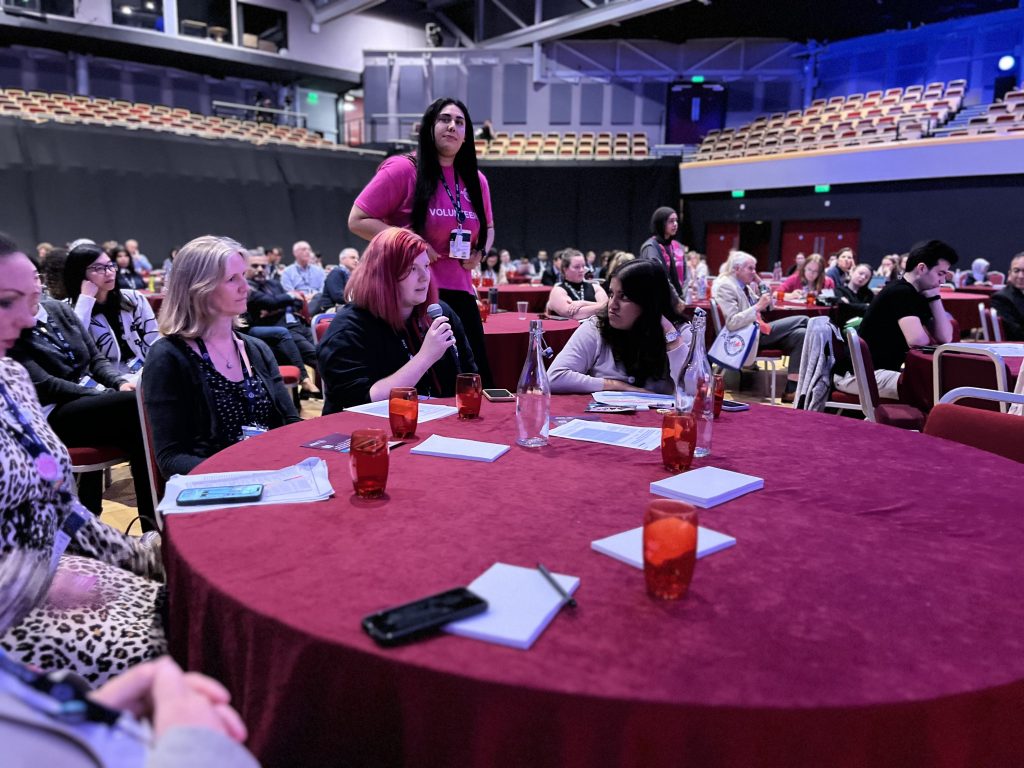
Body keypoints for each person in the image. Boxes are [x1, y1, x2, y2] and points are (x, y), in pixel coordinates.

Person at [0, 233, 166, 686]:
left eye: (30, 298)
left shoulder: (11, 376)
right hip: (17, 604)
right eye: (5, 302)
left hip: (53, 569)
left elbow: (53, 490)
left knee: (181, 602)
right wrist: (49, 583)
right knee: (159, 645)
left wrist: (131, 554)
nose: (26, 319)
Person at [348, 97, 495, 386]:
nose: (452, 126)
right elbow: (358, 219)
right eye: (444, 119)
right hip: (412, 296)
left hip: (462, 293)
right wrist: (412, 242)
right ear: (429, 127)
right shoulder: (404, 170)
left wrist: (481, 251)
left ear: (466, 136)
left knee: (474, 382)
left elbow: (488, 227)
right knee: (427, 386)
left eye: (459, 122)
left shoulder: (476, 181)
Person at [10, 262, 158, 529]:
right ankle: (120, 520)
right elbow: (47, 385)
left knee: (142, 432)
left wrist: (119, 381)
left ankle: (152, 526)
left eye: (35, 277)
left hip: (91, 402)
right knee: (136, 406)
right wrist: (101, 393)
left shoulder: (58, 309)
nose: (33, 285)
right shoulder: (9, 328)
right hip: (53, 414)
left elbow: (96, 359)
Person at [142, 235, 300, 480]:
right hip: (217, 487)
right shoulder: (168, 357)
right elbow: (170, 458)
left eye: (243, 277)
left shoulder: (255, 349)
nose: (245, 287)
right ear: (198, 289)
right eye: (231, 279)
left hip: (272, 475)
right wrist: (244, 475)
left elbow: (290, 423)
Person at [318, 228, 477, 414]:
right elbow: (358, 402)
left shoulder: (440, 313)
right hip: (368, 434)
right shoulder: (348, 330)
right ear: (383, 275)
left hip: (437, 427)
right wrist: (425, 357)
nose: (425, 277)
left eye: (426, 266)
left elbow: (469, 375)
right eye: (412, 269)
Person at [832, 240, 957, 400]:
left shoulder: (916, 294)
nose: (943, 281)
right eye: (940, 274)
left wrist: (935, 297)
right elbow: (918, 341)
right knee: (932, 388)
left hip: (878, 371)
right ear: (921, 268)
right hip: (857, 375)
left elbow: (945, 337)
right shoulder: (900, 292)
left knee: (938, 384)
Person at [549, 259, 691, 394]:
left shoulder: (681, 332)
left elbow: (695, 390)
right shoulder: (597, 326)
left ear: (649, 302)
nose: (612, 305)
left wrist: (671, 336)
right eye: (611, 294)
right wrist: (616, 386)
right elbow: (553, 378)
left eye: (624, 297)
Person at [712, 251, 807, 403]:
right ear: (737, 269)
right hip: (746, 336)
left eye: (754, 268)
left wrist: (759, 281)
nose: (754, 272)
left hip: (758, 330)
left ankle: (791, 390)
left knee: (801, 334)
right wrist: (757, 306)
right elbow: (732, 323)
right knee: (805, 320)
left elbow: (769, 306)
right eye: (750, 268)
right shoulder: (726, 286)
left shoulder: (744, 286)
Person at [61, 243, 158, 377]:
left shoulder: (134, 298)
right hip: (103, 381)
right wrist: (85, 300)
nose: (109, 273)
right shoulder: (65, 309)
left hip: (145, 371)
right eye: (98, 268)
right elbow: (75, 348)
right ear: (80, 274)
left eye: (110, 265)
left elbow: (154, 340)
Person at [243, 251, 321, 398]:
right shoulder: (247, 287)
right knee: (308, 352)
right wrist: (286, 298)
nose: (260, 269)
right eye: (255, 266)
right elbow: (270, 301)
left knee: (319, 355)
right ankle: (305, 380)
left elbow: (297, 302)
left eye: (263, 266)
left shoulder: (273, 283)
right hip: (266, 329)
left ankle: (320, 392)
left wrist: (275, 307)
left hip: (292, 326)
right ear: (245, 268)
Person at [639, 206, 686, 312]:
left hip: (676, 300)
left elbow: (684, 276)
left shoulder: (675, 245)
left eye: (676, 221)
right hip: (658, 303)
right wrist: (676, 300)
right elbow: (659, 277)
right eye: (671, 221)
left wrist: (682, 297)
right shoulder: (650, 247)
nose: (675, 224)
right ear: (661, 223)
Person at [546, 249, 608, 321]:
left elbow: (607, 307)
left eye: (583, 266)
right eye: (577, 267)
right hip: (570, 331)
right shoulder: (558, 291)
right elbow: (574, 314)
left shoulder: (595, 287)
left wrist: (583, 303)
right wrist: (600, 306)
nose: (582, 270)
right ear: (565, 269)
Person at [312, 247, 360, 315]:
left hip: (345, 307)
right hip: (331, 309)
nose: (356, 261)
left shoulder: (352, 276)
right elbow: (338, 297)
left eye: (357, 259)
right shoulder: (336, 272)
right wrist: (359, 300)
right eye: (352, 257)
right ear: (342, 259)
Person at [989, 252, 1024, 341]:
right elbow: (1016, 333)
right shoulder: (1000, 299)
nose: (1021, 276)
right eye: (1016, 271)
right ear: (1009, 274)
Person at [280, 240, 324, 304]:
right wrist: (303, 297)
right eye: (304, 249)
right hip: (298, 301)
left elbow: (323, 288)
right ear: (295, 253)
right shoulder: (287, 271)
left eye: (309, 249)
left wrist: (313, 296)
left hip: (317, 299)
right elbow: (288, 291)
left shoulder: (319, 270)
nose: (307, 252)